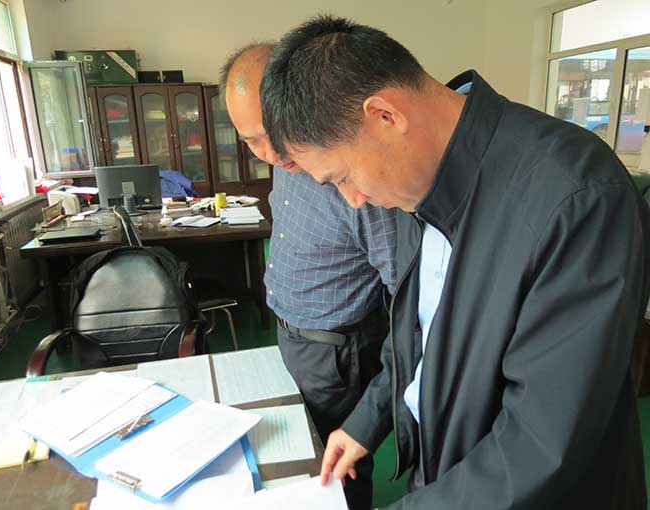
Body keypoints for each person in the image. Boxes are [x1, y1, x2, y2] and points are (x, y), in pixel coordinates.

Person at [260, 15, 650, 509]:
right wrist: (366, 422)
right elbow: (419, 337)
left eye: (342, 178)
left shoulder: (578, 197)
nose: (352, 199)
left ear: (385, 116)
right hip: (450, 476)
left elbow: (539, 442)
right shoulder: (417, 184)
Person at [220, 43, 397, 510]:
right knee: (294, 464)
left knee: (337, 470)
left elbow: (408, 293)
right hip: (289, 336)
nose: (271, 152)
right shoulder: (286, 163)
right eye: (252, 140)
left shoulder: (356, 181)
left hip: (335, 353)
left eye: (275, 133)